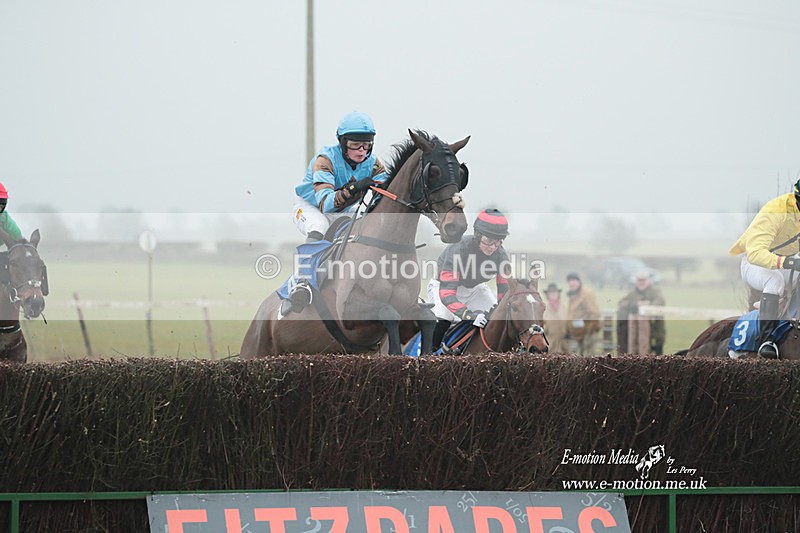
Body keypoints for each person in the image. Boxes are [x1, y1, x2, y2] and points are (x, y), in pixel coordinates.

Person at [282, 111, 390, 315]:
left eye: (367, 144)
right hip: (311, 206)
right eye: (354, 144)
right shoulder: (325, 160)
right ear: (342, 143)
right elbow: (327, 204)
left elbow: (386, 191)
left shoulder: (373, 162)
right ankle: (302, 282)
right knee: (319, 226)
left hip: (343, 210)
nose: (361, 150)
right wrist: (355, 188)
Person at [729, 178, 800, 358]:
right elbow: (755, 253)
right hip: (754, 264)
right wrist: (789, 263)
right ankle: (767, 341)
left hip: (786, 261)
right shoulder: (776, 210)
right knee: (774, 279)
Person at [427, 209, 511, 348]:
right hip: (443, 288)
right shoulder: (458, 250)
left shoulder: (501, 256)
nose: (493, 247)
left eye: (498, 242)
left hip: (475, 290)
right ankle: (428, 355)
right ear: (478, 235)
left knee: (497, 318)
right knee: (444, 317)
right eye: (488, 240)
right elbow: (447, 294)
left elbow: (504, 294)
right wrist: (468, 315)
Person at [616, 272, 666, 354]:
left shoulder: (655, 291)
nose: (641, 282)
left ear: (648, 281)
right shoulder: (632, 293)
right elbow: (621, 303)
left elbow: (660, 301)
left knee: (656, 349)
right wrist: (630, 305)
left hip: (654, 327)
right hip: (633, 328)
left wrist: (644, 308)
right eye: (639, 280)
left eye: (643, 280)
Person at [565, 272, 601, 355]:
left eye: (574, 281)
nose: (572, 283)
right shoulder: (572, 295)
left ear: (579, 282)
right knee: (578, 357)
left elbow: (595, 312)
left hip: (587, 332)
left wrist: (590, 329)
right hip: (577, 332)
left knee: (587, 357)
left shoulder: (586, 294)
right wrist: (568, 329)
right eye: (570, 281)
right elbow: (571, 313)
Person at [542, 282, 568, 353]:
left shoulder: (566, 307)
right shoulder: (543, 308)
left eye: (555, 292)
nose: (553, 294)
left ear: (558, 293)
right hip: (549, 344)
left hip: (564, 346)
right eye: (550, 292)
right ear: (547, 294)